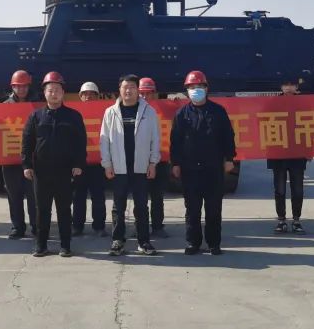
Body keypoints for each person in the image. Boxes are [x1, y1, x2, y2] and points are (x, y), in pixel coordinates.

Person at [170, 70, 236, 255]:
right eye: (191, 87)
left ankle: (214, 243)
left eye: (199, 86)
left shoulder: (218, 111)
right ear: (187, 90)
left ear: (206, 88)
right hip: (190, 169)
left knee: (213, 208)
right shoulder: (182, 114)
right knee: (192, 209)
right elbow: (175, 141)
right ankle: (193, 242)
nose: (195, 90)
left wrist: (230, 158)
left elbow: (228, 136)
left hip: (213, 168)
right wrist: (175, 163)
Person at [21, 72, 86, 258]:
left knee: (64, 209)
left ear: (63, 93)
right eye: (50, 90)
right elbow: (27, 143)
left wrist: (78, 164)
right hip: (41, 172)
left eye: (57, 90)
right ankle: (41, 245)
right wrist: (26, 165)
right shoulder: (36, 116)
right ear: (45, 93)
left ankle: (65, 246)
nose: (54, 93)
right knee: (42, 210)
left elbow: (80, 143)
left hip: (65, 171)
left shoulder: (73, 116)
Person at [100, 74, 160, 256]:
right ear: (119, 90)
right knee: (118, 206)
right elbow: (104, 141)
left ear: (137, 90)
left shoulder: (149, 112)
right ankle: (118, 241)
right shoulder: (110, 113)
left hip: (140, 167)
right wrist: (107, 164)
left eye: (132, 87)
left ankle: (144, 242)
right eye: (125, 87)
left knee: (141, 206)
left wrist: (153, 163)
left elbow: (155, 139)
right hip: (119, 168)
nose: (128, 91)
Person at [0, 70, 39, 240]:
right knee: (13, 195)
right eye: (17, 86)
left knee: (33, 195)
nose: (21, 89)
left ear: (29, 86)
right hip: (10, 158)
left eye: (24, 86)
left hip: (31, 159)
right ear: (12, 87)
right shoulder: (4, 106)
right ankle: (17, 227)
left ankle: (36, 226)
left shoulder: (38, 105)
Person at [268, 75, 309, 235]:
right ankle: (281, 220)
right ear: (281, 87)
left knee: (297, 189)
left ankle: (296, 220)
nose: (289, 87)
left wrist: (310, 150)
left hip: (298, 153)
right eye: (286, 84)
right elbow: (262, 124)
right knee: (280, 189)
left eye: (292, 84)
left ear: (297, 87)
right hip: (278, 152)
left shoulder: (304, 104)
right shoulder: (273, 103)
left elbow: (311, 127)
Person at [72, 81, 108, 237]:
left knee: (98, 196)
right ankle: (77, 226)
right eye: (85, 94)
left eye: (92, 94)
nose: (88, 97)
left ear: (97, 96)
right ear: (80, 96)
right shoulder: (73, 113)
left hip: (98, 163)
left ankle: (99, 226)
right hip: (79, 163)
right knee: (78, 196)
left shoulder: (105, 113)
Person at [138, 77, 170, 238]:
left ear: (155, 93)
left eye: (149, 93)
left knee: (157, 196)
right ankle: (140, 227)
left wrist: (176, 104)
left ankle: (158, 226)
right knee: (140, 197)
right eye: (142, 93)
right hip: (139, 160)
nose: (145, 97)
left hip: (159, 159)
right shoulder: (131, 109)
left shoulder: (164, 108)